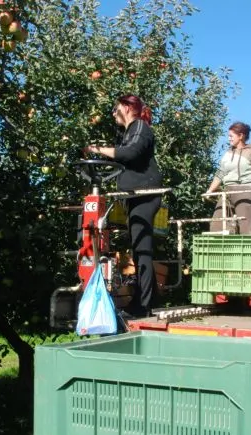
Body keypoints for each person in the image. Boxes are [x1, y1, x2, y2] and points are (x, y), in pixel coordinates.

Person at [83, 95, 163, 317]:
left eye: (116, 108)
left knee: (142, 249)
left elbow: (130, 153)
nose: (112, 113)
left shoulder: (140, 127)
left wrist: (97, 148)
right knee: (140, 248)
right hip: (135, 196)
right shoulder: (129, 132)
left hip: (146, 194)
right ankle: (149, 299)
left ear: (127, 108)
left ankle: (142, 306)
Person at [205, 122, 251, 235]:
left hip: (245, 191)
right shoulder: (227, 154)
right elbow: (220, 174)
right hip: (228, 192)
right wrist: (210, 191)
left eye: (231, 136)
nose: (228, 138)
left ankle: (248, 251)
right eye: (228, 136)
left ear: (241, 136)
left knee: (245, 228)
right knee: (217, 226)